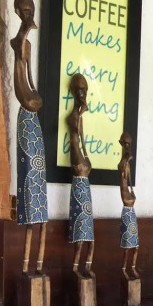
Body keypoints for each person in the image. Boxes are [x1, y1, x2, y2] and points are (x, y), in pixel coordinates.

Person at [11, 0, 48, 274]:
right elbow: (20, 83)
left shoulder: (28, 43)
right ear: (17, 12)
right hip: (26, 119)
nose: (29, 16)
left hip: (33, 119)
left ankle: (38, 264)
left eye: (31, 11)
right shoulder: (18, 42)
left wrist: (34, 96)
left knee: (40, 204)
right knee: (29, 198)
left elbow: (31, 80)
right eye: (25, 11)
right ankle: (26, 266)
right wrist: (23, 33)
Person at [67, 73, 94, 277]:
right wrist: (81, 109)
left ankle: (86, 267)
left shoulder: (79, 115)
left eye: (84, 90)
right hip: (78, 171)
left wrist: (87, 156)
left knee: (89, 235)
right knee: (80, 232)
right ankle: (76, 267)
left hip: (83, 178)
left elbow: (83, 139)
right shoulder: (74, 115)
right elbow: (76, 132)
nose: (82, 94)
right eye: (79, 91)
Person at [119, 131, 139, 279]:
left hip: (131, 211)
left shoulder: (126, 162)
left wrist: (132, 191)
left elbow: (129, 180)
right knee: (127, 246)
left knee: (135, 246)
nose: (128, 147)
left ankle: (132, 267)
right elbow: (123, 175)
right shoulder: (123, 162)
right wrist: (126, 158)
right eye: (125, 144)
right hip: (127, 209)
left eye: (129, 144)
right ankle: (124, 269)